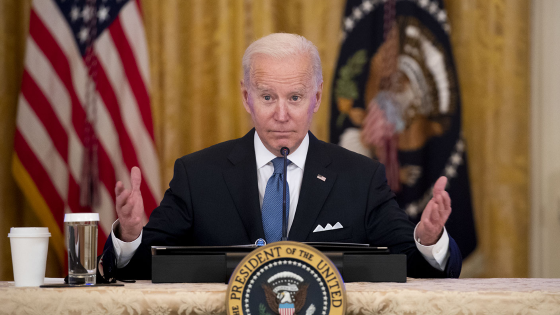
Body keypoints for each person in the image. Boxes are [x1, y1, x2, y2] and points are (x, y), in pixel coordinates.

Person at [103, 33, 461, 280]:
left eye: (294, 97)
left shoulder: (361, 178)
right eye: (267, 97)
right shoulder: (198, 175)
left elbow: (417, 268)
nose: (281, 114)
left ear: (317, 99)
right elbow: (136, 271)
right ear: (246, 98)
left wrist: (428, 238)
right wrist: (130, 234)